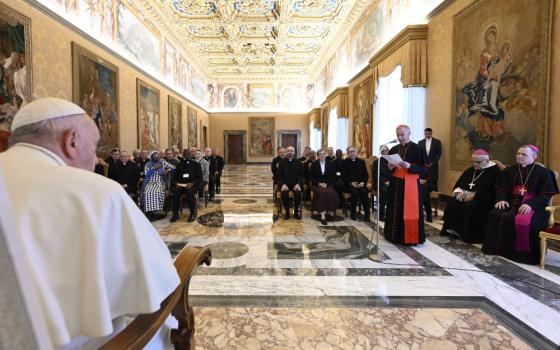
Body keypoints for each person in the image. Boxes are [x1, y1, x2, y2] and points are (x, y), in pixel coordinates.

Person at [0, 97, 179, 349]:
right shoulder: (97, 191)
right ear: (71, 141)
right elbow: (161, 282)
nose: (96, 159)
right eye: (95, 146)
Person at [483, 145, 559, 264]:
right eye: (518, 153)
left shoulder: (544, 173)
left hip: (535, 206)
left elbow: (546, 195)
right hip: (510, 203)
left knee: (530, 223)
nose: (519, 156)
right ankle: (497, 250)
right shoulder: (509, 170)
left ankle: (523, 257)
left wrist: (530, 204)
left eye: (524, 154)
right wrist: (501, 199)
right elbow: (501, 189)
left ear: (534, 157)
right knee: (494, 214)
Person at [441, 149, 502, 243]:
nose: (475, 164)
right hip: (466, 196)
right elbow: (460, 184)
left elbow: (493, 191)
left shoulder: (495, 172)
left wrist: (475, 196)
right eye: (473, 162)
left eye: (478, 162)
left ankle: (467, 234)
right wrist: (460, 192)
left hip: (484, 201)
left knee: (469, 206)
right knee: (453, 203)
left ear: (486, 161)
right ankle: (452, 229)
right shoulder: (471, 170)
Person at [384, 125, 427, 245]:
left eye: (402, 134)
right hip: (396, 184)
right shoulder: (393, 149)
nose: (399, 137)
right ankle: (393, 236)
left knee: (408, 211)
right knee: (394, 209)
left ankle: (410, 238)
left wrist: (410, 166)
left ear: (409, 134)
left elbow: (424, 169)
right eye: (398, 135)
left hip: (410, 185)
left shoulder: (417, 148)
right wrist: (390, 167)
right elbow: (389, 169)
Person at [141, 151, 175, 221]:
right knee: (147, 192)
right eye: (154, 156)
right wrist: (154, 168)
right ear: (151, 157)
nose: (156, 157)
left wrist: (167, 170)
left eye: (157, 156)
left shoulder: (162, 161)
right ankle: (149, 213)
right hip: (150, 181)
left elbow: (173, 167)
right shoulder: (148, 164)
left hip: (160, 181)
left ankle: (156, 211)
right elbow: (146, 174)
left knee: (157, 192)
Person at [170, 149, 202, 223]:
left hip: (192, 185)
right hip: (181, 185)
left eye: (189, 154)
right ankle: (175, 214)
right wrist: (176, 184)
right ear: (183, 155)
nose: (187, 156)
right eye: (186, 154)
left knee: (189, 192)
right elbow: (174, 178)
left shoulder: (197, 165)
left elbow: (200, 178)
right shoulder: (179, 164)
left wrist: (192, 183)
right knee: (175, 193)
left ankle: (192, 213)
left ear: (191, 155)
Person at [418, 128, 442, 222]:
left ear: (431, 133)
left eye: (429, 133)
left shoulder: (437, 142)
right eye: (426, 133)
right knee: (424, 191)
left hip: (433, 167)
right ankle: (428, 213)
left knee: (432, 184)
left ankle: (429, 211)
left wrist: (432, 163)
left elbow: (439, 154)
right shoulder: (420, 143)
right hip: (421, 178)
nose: (427, 135)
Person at [310, 149, 339, 224]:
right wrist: (319, 183)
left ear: (325, 155)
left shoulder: (331, 163)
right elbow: (311, 177)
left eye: (323, 154)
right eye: (320, 154)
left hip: (328, 184)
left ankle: (330, 211)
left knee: (332, 193)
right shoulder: (314, 164)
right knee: (321, 192)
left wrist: (326, 183)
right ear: (318, 156)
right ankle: (323, 215)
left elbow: (332, 176)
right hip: (317, 184)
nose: (322, 155)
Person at [343, 146, 370, 221]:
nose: (352, 153)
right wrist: (351, 183)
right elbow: (343, 176)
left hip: (360, 184)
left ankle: (367, 215)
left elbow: (366, 175)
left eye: (353, 151)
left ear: (356, 152)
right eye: (350, 152)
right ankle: (353, 213)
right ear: (348, 153)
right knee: (355, 193)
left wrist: (363, 182)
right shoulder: (344, 162)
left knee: (364, 192)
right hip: (349, 185)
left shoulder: (361, 162)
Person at [278, 146, 304, 220]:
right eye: (288, 150)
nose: (290, 152)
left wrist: (298, 184)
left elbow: (301, 175)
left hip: (295, 184)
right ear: (286, 152)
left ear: (294, 152)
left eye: (292, 151)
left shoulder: (298, 162)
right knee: (284, 193)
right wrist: (283, 184)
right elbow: (279, 175)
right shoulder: (282, 162)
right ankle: (287, 212)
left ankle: (296, 212)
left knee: (298, 193)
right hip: (285, 184)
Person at [372, 145, 392, 221]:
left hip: (391, 182)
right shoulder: (377, 162)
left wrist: (390, 181)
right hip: (380, 183)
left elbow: (394, 173)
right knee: (384, 191)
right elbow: (376, 176)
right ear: (380, 152)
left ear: (388, 151)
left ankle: (391, 214)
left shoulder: (392, 161)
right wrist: (384, 182)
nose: (384, 152)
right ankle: (381, 215)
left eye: (386, 150)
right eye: (382, 151)